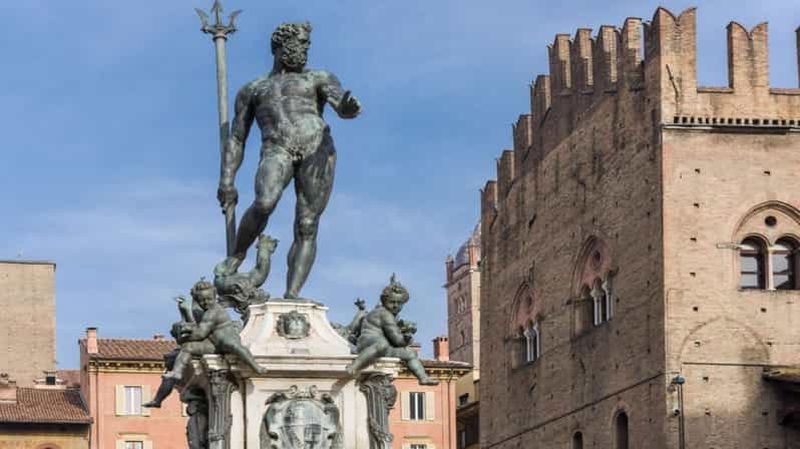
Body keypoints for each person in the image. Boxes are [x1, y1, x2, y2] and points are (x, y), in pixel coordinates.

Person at [217, 21, 361, 299]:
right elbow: (236, 137)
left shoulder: (318, 78)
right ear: (280, 46)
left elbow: (339, 102)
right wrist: (227, 179)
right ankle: (235, 257)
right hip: (276, 148)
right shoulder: (253, 89)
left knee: (307, 224)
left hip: (317, 150)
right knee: (264, 202)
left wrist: (347, 107)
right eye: (300, 43)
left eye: (308, 44)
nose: (305, 49)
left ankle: (292, 294)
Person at [144, 280, 266, 408]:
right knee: (187, 348)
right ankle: (176, 373)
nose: (205, 302)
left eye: (208, 299)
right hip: (213, 343)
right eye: (202, 300)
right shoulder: (205, 312)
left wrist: (185, 333)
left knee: (235, 346)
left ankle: (255, 366)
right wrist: (185, 314)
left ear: (214, 297)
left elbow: (200, 333)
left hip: (224, 341)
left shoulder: (213, 311)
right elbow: (197, 326)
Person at [345, 275, 439, 385]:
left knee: (410, 353)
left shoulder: (389, 315)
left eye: (399, 303)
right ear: (384, 301)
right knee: (383, 344)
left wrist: (405, 335)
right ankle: (355, 365)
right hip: (367, 344)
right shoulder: (384, 314)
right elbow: (396, 340)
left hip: (380, 348)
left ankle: (423, 377)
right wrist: (407, 339)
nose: (396, 306)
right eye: (392, 302)